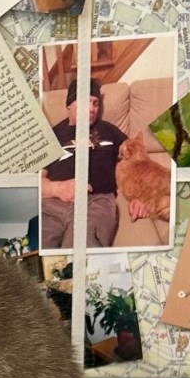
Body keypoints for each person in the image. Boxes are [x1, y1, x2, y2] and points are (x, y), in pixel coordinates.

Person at [39, 77, 149, 250]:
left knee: (81, 250)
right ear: (69, 104)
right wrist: (58, 189)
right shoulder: (52, 135)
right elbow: (36, 181)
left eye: (96, 103)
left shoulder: (109, 130)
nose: (92, 109)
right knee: (41, 250)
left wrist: (140, 196)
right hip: (53, 204)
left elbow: (138, 160)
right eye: (85, 102)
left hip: (97, 202)